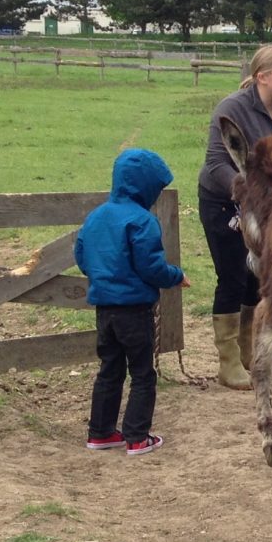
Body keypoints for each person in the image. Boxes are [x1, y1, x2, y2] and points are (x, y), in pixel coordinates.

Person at [198, 44, 272, 389]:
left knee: (255, 281)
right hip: (225, 206)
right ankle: (228, 363)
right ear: (262, 76)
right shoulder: (231, 108)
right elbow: (217, 163)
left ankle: (249, 354)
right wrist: (251, 189)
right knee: (232, 278)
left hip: (269, 211)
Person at [75, 148, 190, 455]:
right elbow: (150, 266)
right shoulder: (142, 221)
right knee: (142, 373)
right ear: (146, 186)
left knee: (109, 369)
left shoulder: (96, 216)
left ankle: (100, 432)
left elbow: (82, 257)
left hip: (104, 310)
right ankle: (137, 436)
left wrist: (103, 277)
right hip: (134, 311)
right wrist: (175, 276)